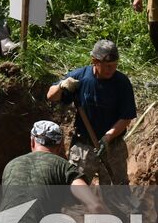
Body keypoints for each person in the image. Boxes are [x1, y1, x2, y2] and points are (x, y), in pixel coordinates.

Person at [46, 39, 137, 188]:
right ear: (95, 61)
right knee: (76, 192)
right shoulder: (81, 77)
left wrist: (107, 138)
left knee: (117, 192)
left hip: (112, 147)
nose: (111, 70)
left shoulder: (122, 83)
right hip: (84, 147)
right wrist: (62, 86)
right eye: (107, 66)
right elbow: (50, 96)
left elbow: (126, 117)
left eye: (114, 66)